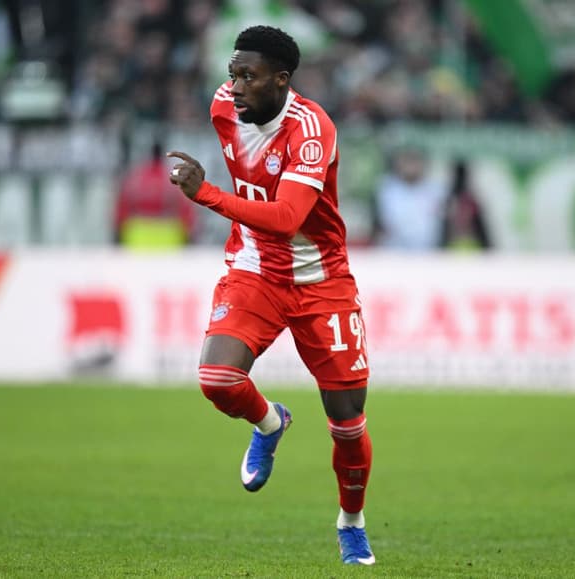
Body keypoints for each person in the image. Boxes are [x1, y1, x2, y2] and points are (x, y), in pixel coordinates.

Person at [167, 25, 375, 566]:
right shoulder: (223, 106)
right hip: (255, 269)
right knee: (217, 378)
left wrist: (206, 194)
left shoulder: (312, 130)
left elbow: (286, 218)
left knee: (348, 423)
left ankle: (351, 523)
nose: (235, 87)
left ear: (282, 80)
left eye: (249, 76)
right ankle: (270, 423)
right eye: (233, 73)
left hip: (321, 281)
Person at [114, 141, 197, 249]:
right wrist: (189, 235)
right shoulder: (172, 178)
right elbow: (185, 209)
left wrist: (118, 232)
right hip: (169, 238)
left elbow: (122, 207)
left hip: (137, 237)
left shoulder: (135, 177)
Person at [374, 145, 448, 250]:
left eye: (415, 159)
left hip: (428, 253)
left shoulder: (437, 189)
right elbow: (380, 224)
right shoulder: (386, 188)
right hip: (393, 252)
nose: (411, 165)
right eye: (407, 160)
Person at [441, 159, 491, 251]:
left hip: (470, 246)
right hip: (453, 247)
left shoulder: (471, 201)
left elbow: (481, 229)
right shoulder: (452, 200)